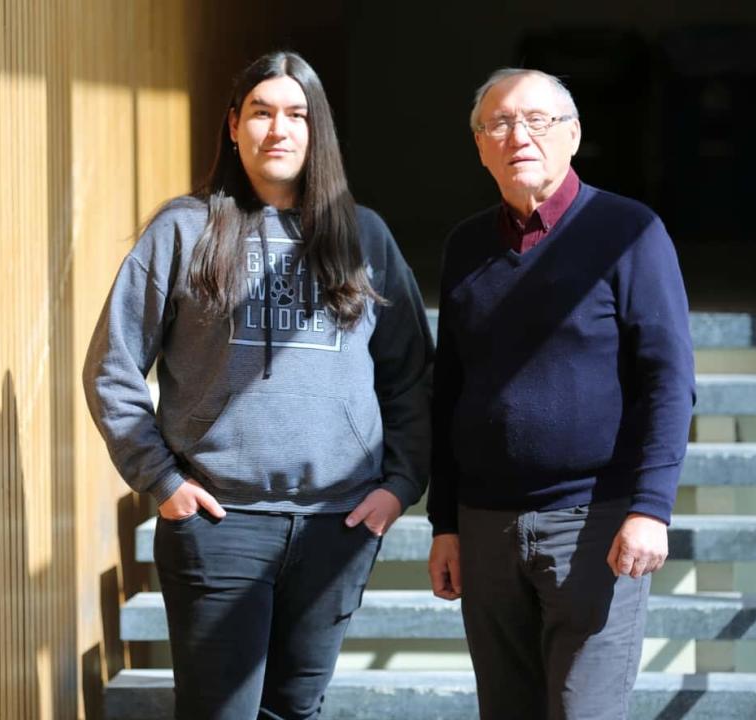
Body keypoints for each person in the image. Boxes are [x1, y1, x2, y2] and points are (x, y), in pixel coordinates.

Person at [83, 51, 432, 720]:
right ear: (233, 125)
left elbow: (411, 375)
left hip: (339, 525)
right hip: (220, 526)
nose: (280, 129)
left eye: (297, 114)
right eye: (263, 112)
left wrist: (397, 488)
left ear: (317, 129)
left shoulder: (365, 237)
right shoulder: (183, 230)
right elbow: (113, 367)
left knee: (295, 712)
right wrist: (162, 481)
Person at [427, 68, 695, 720]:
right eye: (499, 123)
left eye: (538, 120)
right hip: (487, 530)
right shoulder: (466, 245)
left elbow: (669, 380)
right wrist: (444, 523)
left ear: (572, 135)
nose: (519, 135)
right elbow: (448, 390)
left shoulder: (629, 231)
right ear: (480, 145)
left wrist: (651, 507)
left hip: (595, 524)